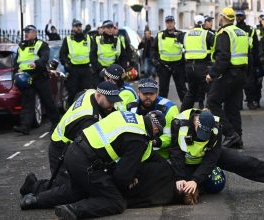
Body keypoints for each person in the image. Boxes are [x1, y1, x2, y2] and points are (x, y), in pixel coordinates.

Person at [20, 110, 167, 219]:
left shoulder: (127, 116)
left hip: (72, 152)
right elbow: (122, 176)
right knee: (116, 202)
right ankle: (73, 210)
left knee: (77, 190)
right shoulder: (139, 138)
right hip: (87, 162)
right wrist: (125, 184)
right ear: (156, 129)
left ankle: (33, 200)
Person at [19, 81, 122, 196]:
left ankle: (36, 185)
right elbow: (89, 148)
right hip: (61, 148)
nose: (112, 105)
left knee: (69, 183)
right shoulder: (88, 119)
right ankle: (31, 187)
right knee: (65, 187)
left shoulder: (91, 92)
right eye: (110, 101)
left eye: (114, 101)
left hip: (67, 141)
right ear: (98, 95)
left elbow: (79, 95)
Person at [169, 108, 264, 198]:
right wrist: (180, 177)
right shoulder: (179, 123)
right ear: (195, 122)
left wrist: (196, 180)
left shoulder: (216, 127)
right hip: (185, 162)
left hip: (206, 157)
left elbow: (211, 158)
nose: (203, 137)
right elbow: (175, 153)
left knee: (244, 162)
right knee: (181, 189)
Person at [205, 7, 248, 149]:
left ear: (222, 17)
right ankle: (238, 138)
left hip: (228, 73)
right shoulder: (241, 32)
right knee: (232, 107)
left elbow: (223, 57)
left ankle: (230, 134)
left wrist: (212, 74)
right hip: (240, 73)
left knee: (212, 102)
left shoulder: (224, 33)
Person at [13, 25, 60, 135]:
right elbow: (17, 61)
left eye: (28, 32)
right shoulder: (21, 46)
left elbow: (45, 57)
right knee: (27, 103)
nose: (26, 34)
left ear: (35, 33)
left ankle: (56, 124)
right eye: (25, 32)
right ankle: (25, 127)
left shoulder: (41, 45)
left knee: (47, 101)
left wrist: (36, 63)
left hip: (39, 76)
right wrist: (17, 70)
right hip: (25, 77)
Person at [127, 78, 179, 159]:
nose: (148, 96)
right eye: (145, 93)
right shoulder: (131, 107)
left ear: (157, 92)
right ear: (138, 92)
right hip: (137, 153)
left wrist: (151, 143)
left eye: (151, 93)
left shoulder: (169, 108)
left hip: (161, 155)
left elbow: (171, 136)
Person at [180, 15, 215, 111]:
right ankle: (210, 114)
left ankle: (182, 114)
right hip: (202, 66)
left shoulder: (186, 34)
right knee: (211, 91)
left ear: (194, 23)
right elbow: (216, 46)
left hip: (189, 67)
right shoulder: (207, 34)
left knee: (191, 92)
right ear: (203, 23)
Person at [151, 15, 188, 102]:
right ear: (166, 24)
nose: (169, 24)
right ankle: (161, 108)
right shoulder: (160, 35)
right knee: (163, 90)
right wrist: (156, 62)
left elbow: (187, 48)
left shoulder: (180, 35)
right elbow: (153, 49)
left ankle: (187, 108)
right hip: (164, 65)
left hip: (178, 65)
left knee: (182, 88)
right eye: (168, 22)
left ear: (174, 23)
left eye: (171, 22)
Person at [60, 20, 93, 106]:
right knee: (73, 91)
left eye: (79, 26)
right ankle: (71, 109)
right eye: (76, 26)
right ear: (73, 27)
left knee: (87, 91)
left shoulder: (88, 38)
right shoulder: (68, 39)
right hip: (74, 69)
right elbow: (62, 54)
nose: (78, 28)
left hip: (86, 69)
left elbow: (94, 52)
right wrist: (67, 65)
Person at [90, 20, 129, 86]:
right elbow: (92, 57)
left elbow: (123, 56)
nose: (110, 29)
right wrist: (101, 69)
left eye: (111, 27)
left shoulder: (117, 40)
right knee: (100, 92)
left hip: (114, 71)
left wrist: (122, 69)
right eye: (108, 27)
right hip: (100, 71)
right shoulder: (97, 40)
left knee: (116, 92)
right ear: (103, 29)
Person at [235, 10, 259, 110]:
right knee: (237, 84)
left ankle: (250, 102)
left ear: (244, 17)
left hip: (249, 58)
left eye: (240, 16)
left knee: (250, 83)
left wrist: (257, 62)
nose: (239, 18)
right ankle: (238, 104)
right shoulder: (233, 29)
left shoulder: (250, 29)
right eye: (237, 16)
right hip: (236, 59)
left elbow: (256, 46)